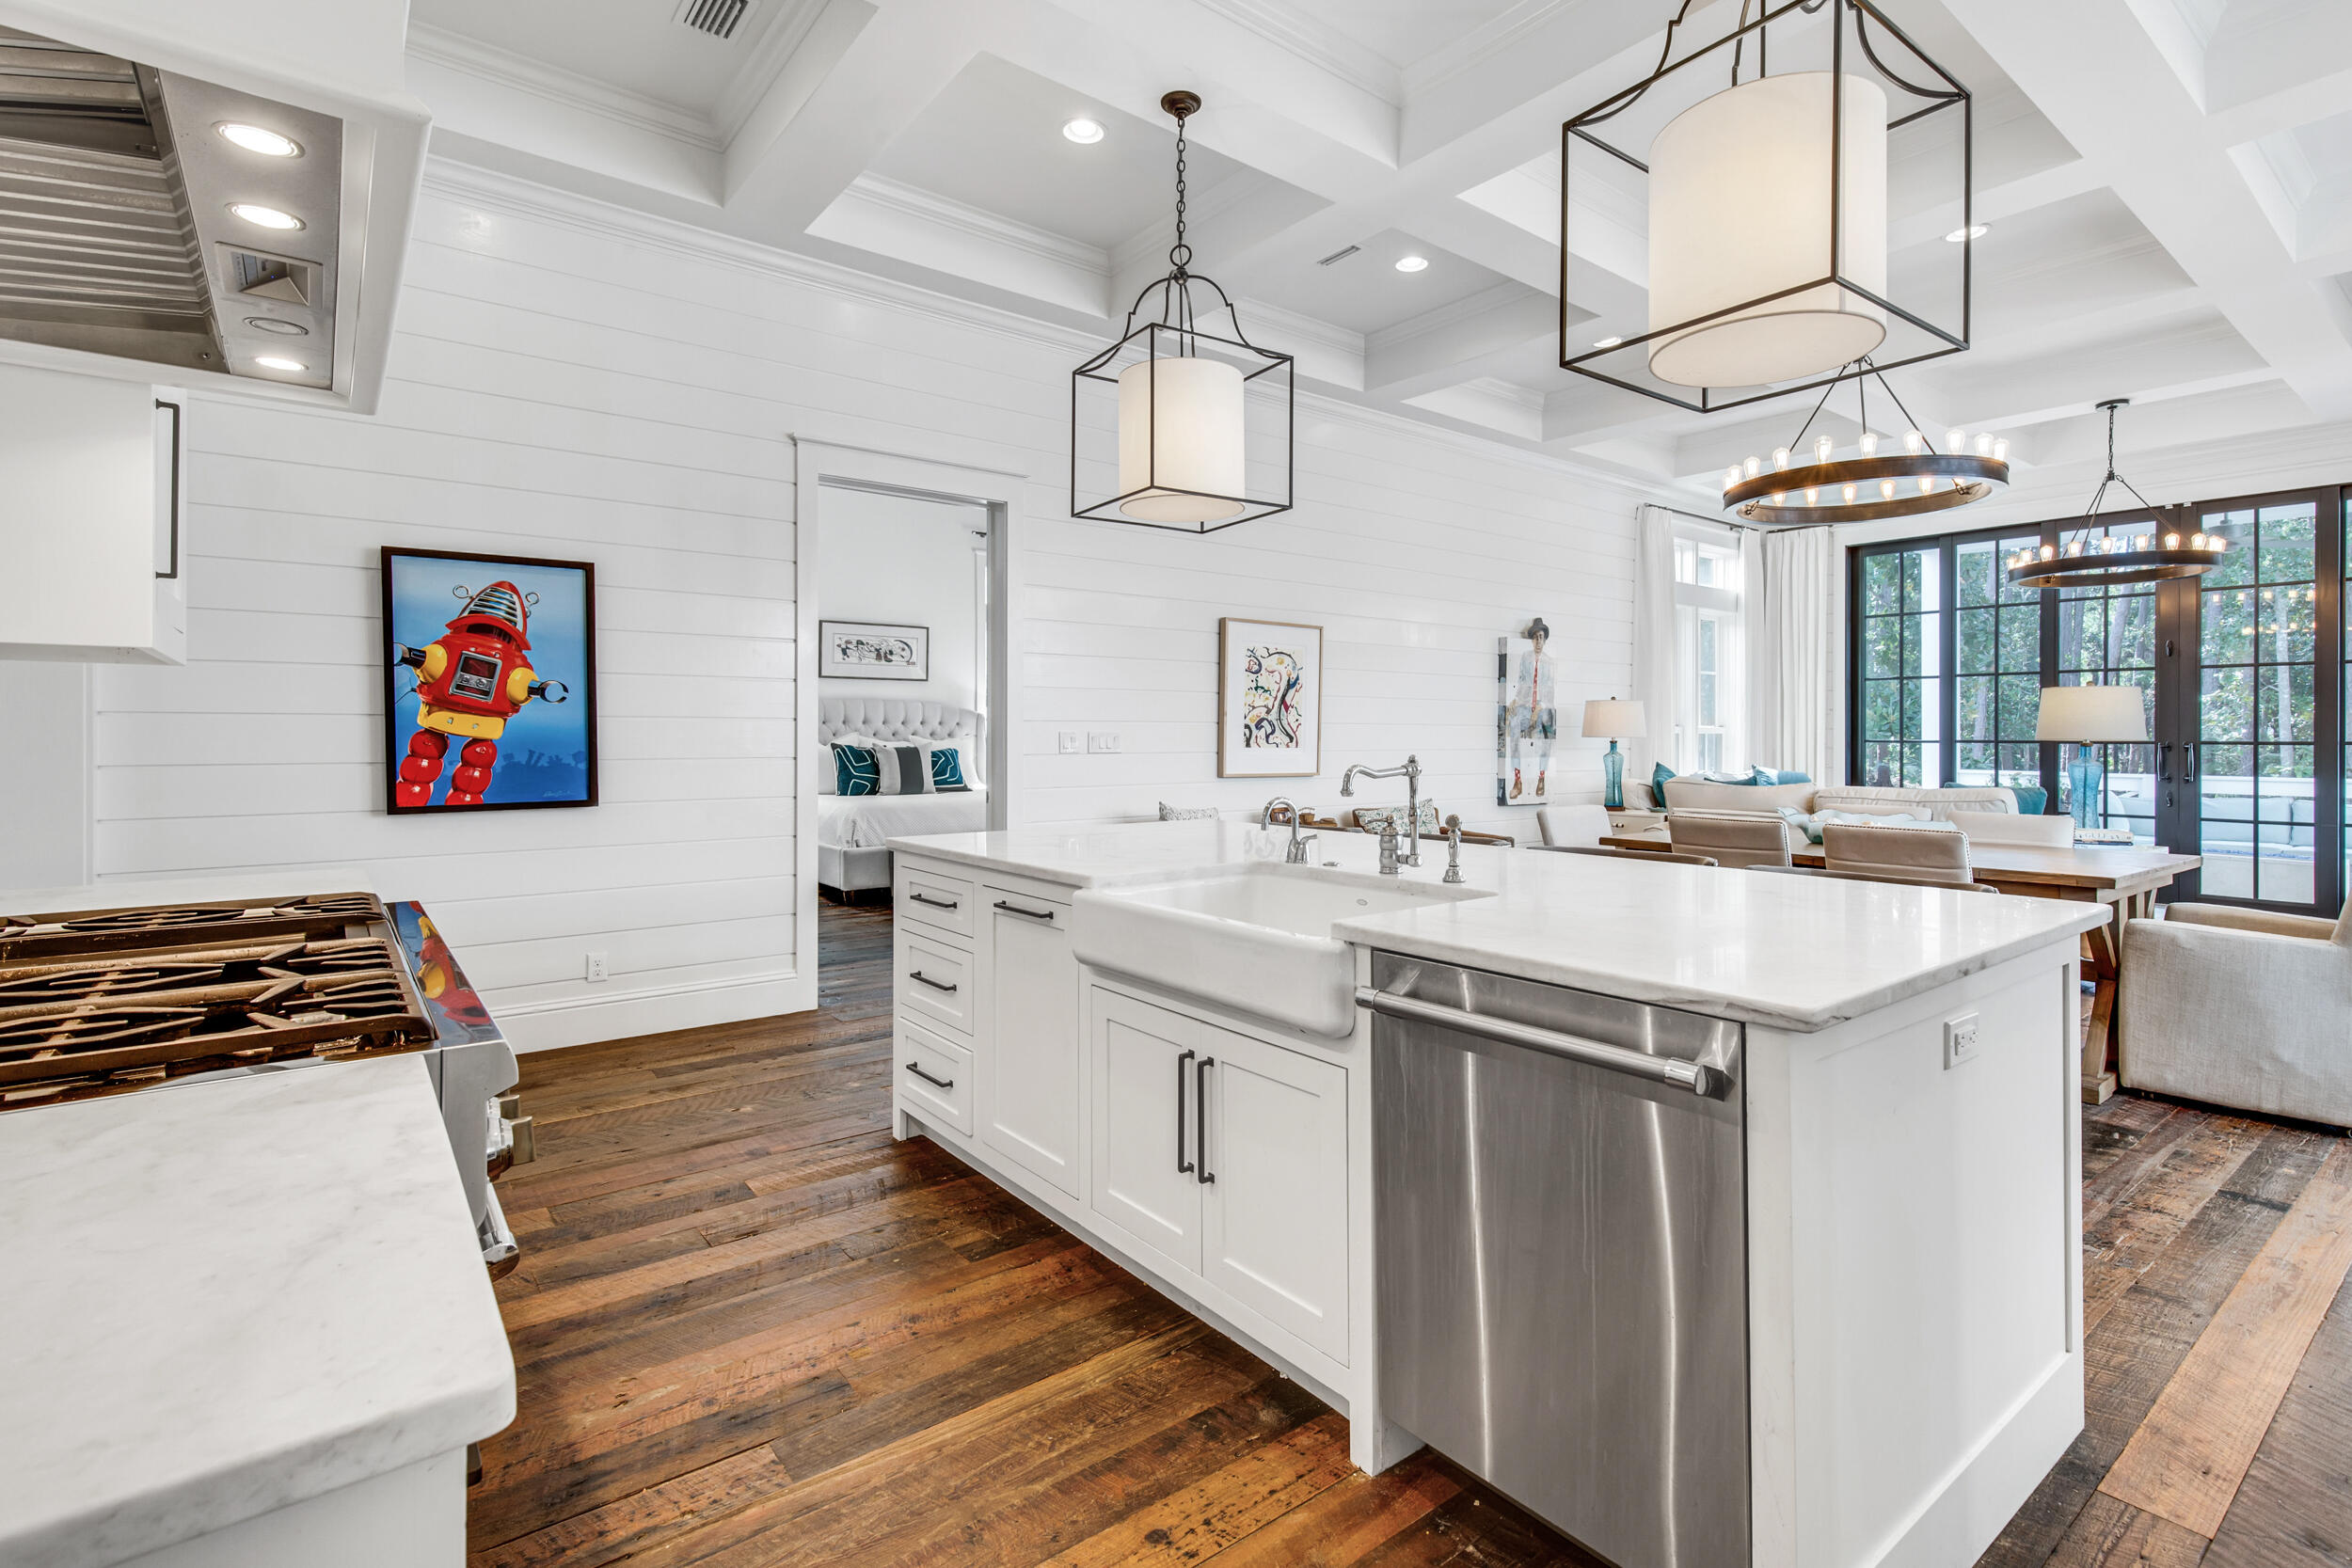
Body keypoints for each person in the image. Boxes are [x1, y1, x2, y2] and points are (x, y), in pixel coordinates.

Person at [1506, 617, 1557, 800]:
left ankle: (1541, 778)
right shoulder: (1526, 658)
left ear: (1545, 640)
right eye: (1535, 637)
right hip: (1525, 705)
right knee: (1513, 723)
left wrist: (1539, 708)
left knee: (1548, 729)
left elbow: (1550, 690)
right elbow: (1521, 681)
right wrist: (1515, 700)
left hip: (1542, 706)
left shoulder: (1549, 662)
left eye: (1541, 637)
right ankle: (1517, 779)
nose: (1538, 641)